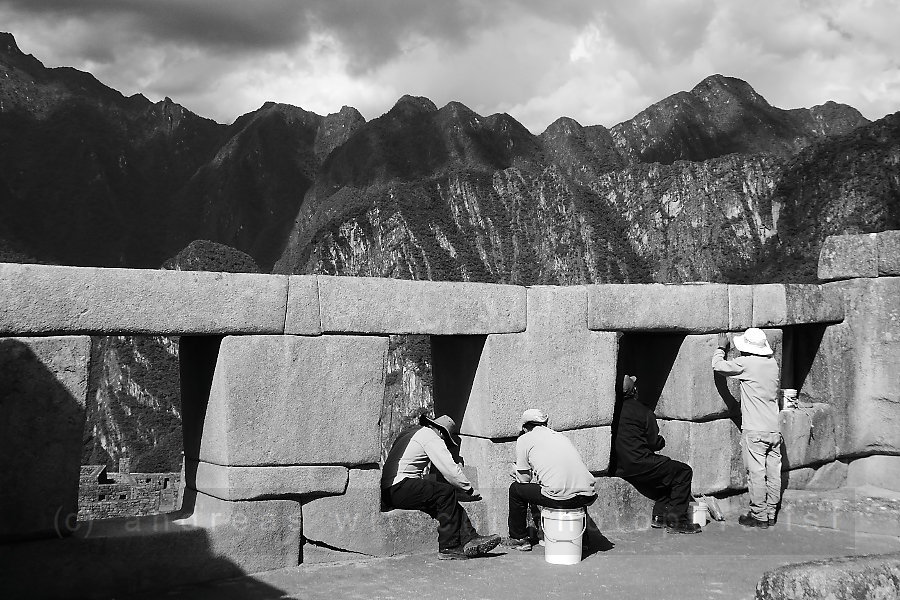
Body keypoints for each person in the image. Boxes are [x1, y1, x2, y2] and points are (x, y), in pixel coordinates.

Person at [381, 413, 501, 559]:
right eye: (445, 437)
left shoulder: (409, 433)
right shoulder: (430, 436)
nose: (443, 440)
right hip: (400, 487)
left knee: (447, 499)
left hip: (389, 490)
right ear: (440, 431)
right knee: (446, 492)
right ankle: (448, 547)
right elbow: (449, 470)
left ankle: (470, 538)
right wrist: (468, 489)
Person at [613, 375, 701, 534]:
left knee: (668, 476)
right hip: (640, 463)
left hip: (620, 466)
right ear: (634, 391)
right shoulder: (643, 411)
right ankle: (677, 520)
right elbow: (653, 442)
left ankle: (660, 517)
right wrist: (661, 441)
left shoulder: (615, 411)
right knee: (683, 472)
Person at [712, 328, 781, 528]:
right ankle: (770, 513)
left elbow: (718, 367)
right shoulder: (772, 364)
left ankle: (759, 515)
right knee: (773, 473)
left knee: (756, 473)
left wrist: (720, 348)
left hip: (755, 430)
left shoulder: (747, 363)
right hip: (773, 429)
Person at [502, 408, 598, 551]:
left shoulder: (524, 439)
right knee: (574, 488)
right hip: (587, 496)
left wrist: (515, 471)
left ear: (524, 427)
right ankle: (582, 541)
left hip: (562, 497)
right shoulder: (561, 437)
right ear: (545, 424)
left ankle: (519, 539)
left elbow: (524, 479)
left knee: (516, 490)